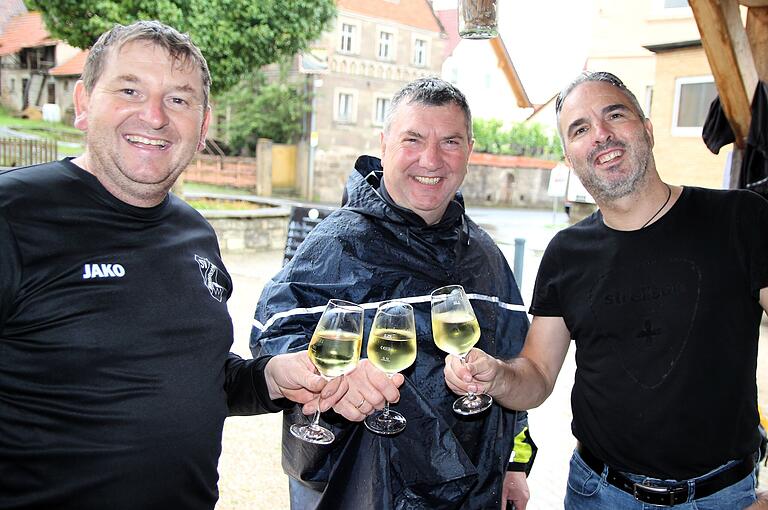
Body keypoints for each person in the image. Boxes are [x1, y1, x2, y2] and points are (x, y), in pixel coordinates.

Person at [0, 21, 343, 510]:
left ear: (203, 127)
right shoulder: (14, 214)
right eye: (130, 89)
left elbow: (199, 377)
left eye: (179, 100)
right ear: (83, 104)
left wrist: (269, 377)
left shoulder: (195, 232)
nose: (155, 116)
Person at [445, 71, 768, 509]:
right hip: (598, 494)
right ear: (569, 157)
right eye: (580, 129)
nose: (600, 135)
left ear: (648, 130)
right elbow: (538, 376)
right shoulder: (566, 253)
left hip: (723, 497)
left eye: (614, 114)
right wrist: (496, 376)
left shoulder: (739, 219)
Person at [250, 77, 536, 509]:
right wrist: (336, 376)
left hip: (469, 493)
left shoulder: (485, 255)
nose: (431, 159)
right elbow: (270, 337)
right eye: (413, 139)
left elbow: (517, 365)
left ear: (470, 152)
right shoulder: (336, 242)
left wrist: (516, 464)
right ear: (384, 145)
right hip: (356, 487)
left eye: (451, 141)